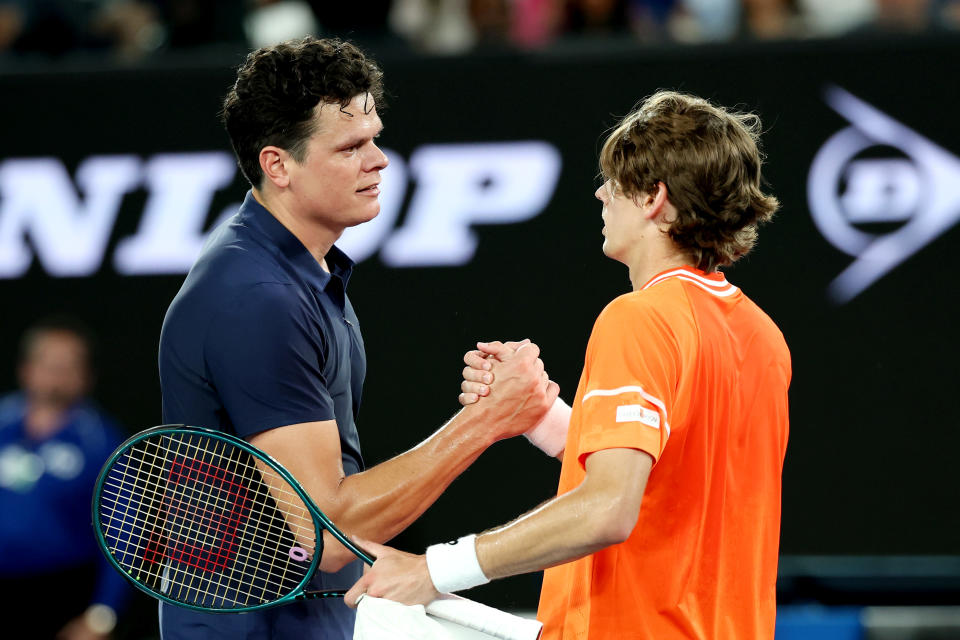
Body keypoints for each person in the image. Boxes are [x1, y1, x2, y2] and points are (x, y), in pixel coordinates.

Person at [344, 90, 791, 640]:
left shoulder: (640, 318)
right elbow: (665, 481)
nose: (602, 193)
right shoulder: (763, 336)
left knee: (370, 616)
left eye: (616, 182)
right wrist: (540, 415)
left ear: (654, 197)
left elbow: (608, 508)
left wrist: (433, 570)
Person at [157, 36, 556, 640]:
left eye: (374, 137)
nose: (379, 160)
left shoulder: (301, 270)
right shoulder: (257, 299)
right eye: (350, 147)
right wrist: (488, 420)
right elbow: (326, 538)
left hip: (306, 615)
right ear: (278, 165)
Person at [0, 317, 128, 639]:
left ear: (86, 377)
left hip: (64, 595)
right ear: (26, 369)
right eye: (48, 364)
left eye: (69, 366)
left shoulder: (103, 441)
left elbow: (122, 535)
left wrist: (102, 615)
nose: (57, 375)